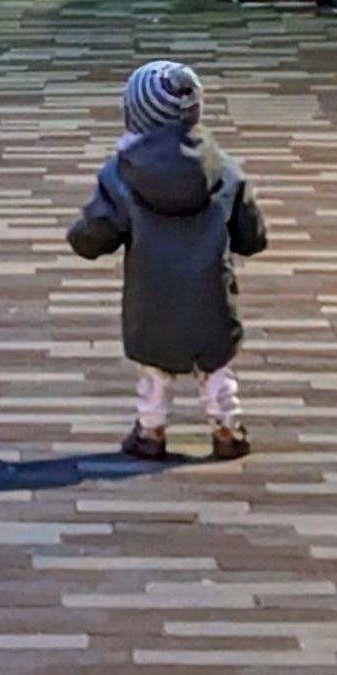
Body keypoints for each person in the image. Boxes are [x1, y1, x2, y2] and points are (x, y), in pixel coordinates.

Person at [66, 57, 265, 462]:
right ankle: (227, 429)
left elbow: (95, 234)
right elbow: (249, 233)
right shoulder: (224, 170)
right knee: (216, 370)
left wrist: (82, 238)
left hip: (152, 296)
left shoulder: (121, 175)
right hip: (211, 292)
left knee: (154, 373)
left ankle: (151, 431)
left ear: (135, 115)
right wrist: (248, 241)